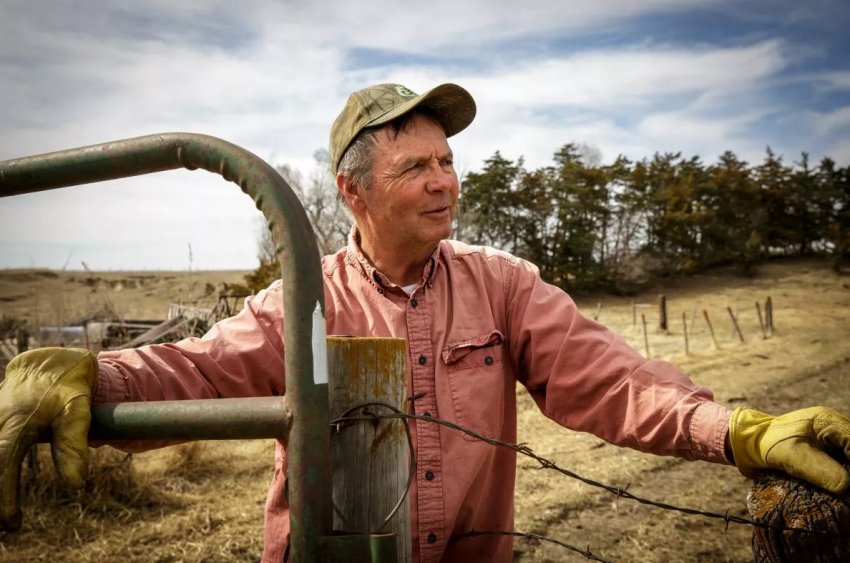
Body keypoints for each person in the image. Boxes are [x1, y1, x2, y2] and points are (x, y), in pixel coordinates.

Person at [1, 82, 849, 563]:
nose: (445, 180)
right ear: (354, 192)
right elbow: (197, 369)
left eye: (448, 160)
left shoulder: (503, 284)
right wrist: (92, 374)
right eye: (416, 166)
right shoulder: (304, 300)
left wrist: (736, 429)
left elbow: (613, 381)